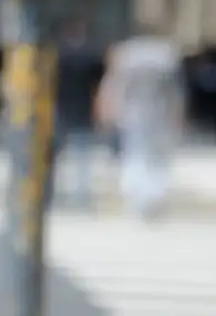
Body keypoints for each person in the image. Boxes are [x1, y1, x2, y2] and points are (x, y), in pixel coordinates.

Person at [97, 24, 185, 219]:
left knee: (135, 154)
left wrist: (109, 110)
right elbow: (176, 92)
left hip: (133, 113)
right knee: (155, 157)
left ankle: (139, 196)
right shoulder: (166, 55)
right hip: (159, 113)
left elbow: (114, 86)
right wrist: (178, 114)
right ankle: (152, 196)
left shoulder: (126, 54)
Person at [50, 18, 103, 208]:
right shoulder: (90, 56)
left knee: (57, 156)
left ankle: (57, 192)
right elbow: (98, 84)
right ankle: (81, 195)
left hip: (62, 110)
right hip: (81, 110)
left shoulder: (58, 56)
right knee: (81, 156)